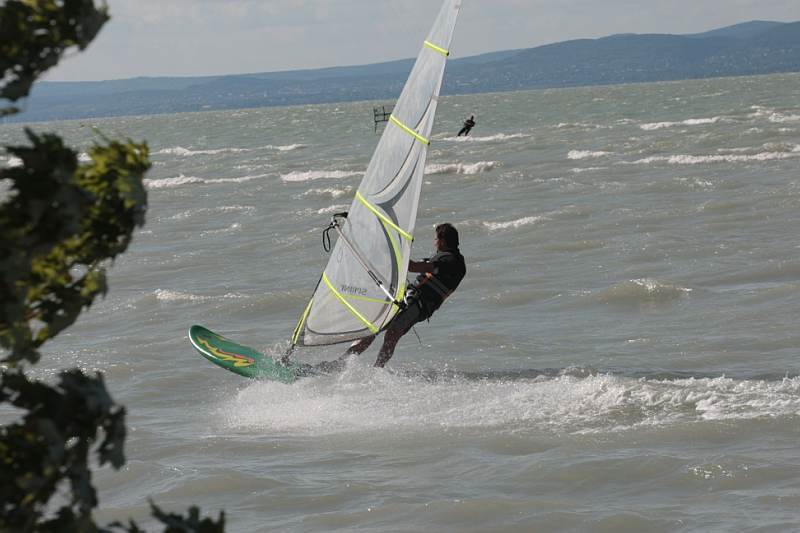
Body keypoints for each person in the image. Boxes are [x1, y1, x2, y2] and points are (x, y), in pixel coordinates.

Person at [343, 223, 466, 368]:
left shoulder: (450, 261)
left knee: (392, 334)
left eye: (436, 239)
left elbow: (412, 267)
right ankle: (342, 362)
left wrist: (397, 248)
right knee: (375, 327)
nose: (434, 242)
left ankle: (377, 369)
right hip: (410, 300)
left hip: (418, 305)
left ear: (442, 241)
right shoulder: (450, 259)